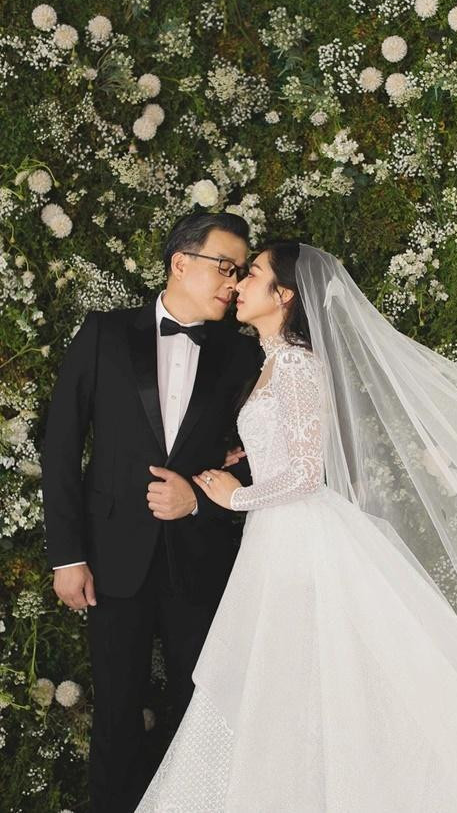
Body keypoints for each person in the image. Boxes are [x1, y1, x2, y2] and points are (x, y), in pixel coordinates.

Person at [135, 241, 457, 812]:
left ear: (284, 295)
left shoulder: (298, 365)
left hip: (298, 538)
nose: (239, 284)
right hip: (278, 538)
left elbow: (305, 475)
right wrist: (247, 456)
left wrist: (238, 496)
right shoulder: (275, 362)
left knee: (303, 674)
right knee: (288, 679)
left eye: (252, 274)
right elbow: (290, 448)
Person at [41, 212, 262, 813]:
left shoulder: (243, 355)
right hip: (112, 561)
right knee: (115, 717)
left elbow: (270, 458)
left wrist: (197, 498)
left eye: (241, 271)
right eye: (225, 266)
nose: (234, 282)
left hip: (205, 560)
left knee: (203, 714)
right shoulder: (104, 333)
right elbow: (61, 446)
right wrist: (67, 556)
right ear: (180, 263)